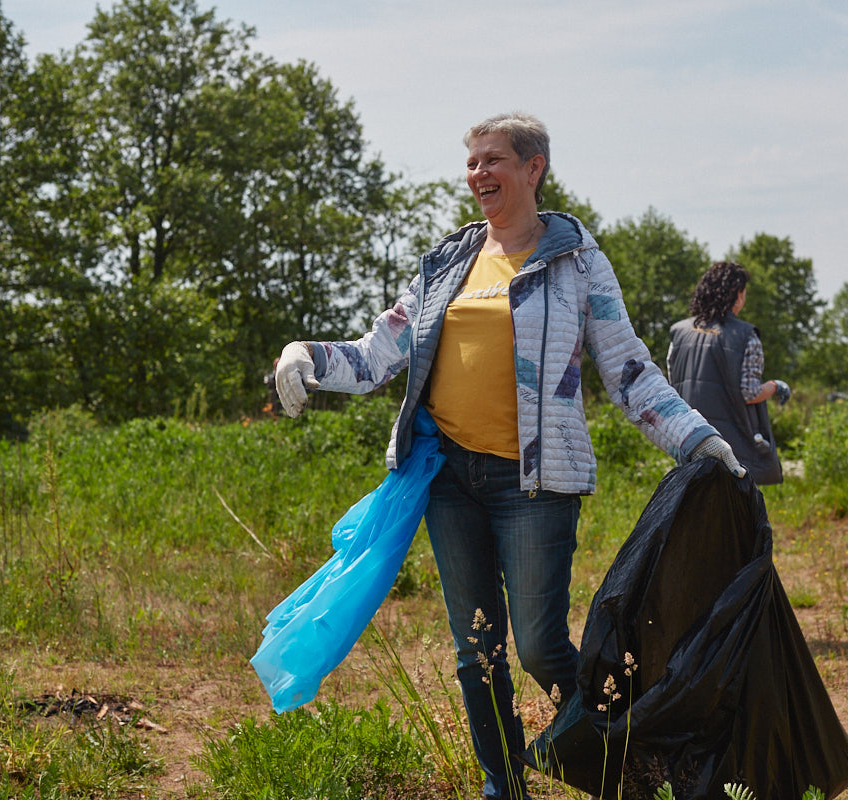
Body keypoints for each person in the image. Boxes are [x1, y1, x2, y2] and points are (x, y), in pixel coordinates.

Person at [271, 112, 743, 800]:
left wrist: (699, 439)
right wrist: (305, 356)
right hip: (449, 481)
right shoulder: (447, 263)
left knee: (539, 648)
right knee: (477, 651)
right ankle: (504, 788)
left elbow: (629, 369)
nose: (478, 175)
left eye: (492, 160)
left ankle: (623, 768)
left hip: (535, 483)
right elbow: (377, 356)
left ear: (533, 168)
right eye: (471, 164)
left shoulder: (577, 260)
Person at [666, 262, 790, 485]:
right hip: (732, 450)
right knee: (733, 516)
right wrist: (775, 385)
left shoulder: (679, 332)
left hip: (689, 442)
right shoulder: (746, 336)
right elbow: (750, 393)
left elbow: (672, 384)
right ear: (738, 295)